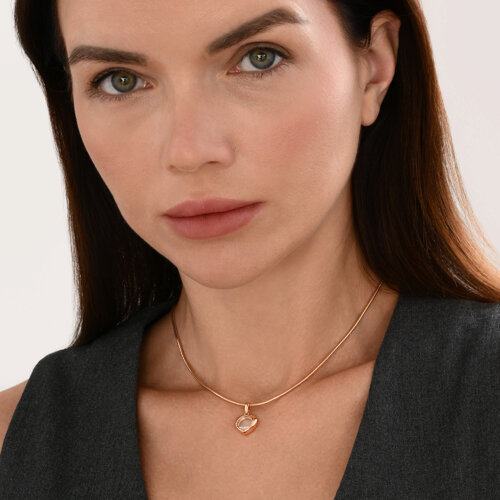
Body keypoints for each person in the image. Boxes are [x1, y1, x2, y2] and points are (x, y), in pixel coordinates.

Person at [0, 0, 499, 498]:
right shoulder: (13, 444)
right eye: (120, 80)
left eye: (260, 57)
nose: (190, 152)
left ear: (375, 67)